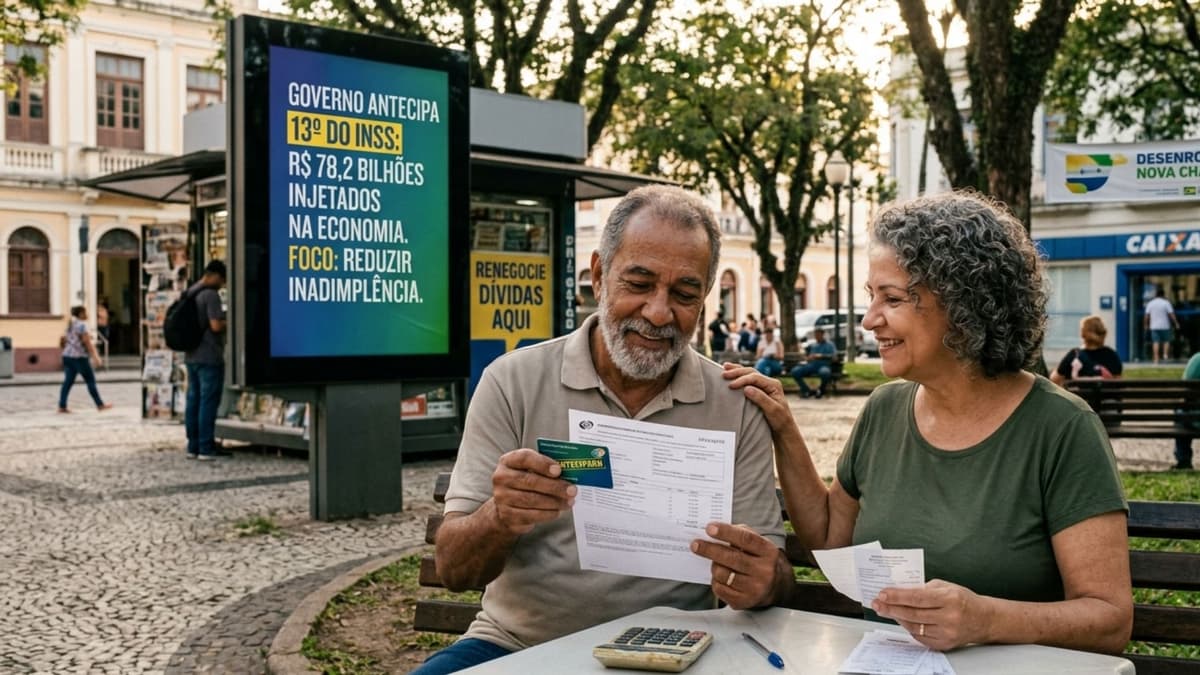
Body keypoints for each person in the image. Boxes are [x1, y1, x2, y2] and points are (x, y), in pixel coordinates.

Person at [724, 191, 1132, 654]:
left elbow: (1110, 619)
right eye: (871, 297)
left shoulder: (1061, 428)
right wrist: (784, 427)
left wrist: (988, 619)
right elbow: (829, 538)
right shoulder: (884, 409)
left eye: (892, 298)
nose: (869, 320)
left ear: (963, 308)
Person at [418, 186, 791, 674]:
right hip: (518, 644)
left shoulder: (734, 405)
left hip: (673, 655)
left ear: (704, 299)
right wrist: (499, 516)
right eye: (639, 283)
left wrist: (763, 580)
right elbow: (453, 569)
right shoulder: (513, 381)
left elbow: (775, 577)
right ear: (598, 275)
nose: (659, 313)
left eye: (683, 294)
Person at [184, 260, 228, 461]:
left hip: (191, 354)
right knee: (208, 402)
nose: (222, 284)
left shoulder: (191, 291)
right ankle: (205, 447)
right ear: (214, 275)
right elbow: (216, 325)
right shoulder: (210, 295)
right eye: (222, 279)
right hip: (209, 355)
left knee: (193, 400)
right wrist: (230, 320)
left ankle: (193, 446)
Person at [58, 306, 112, 413]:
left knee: (68, 382)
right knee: (90, 380)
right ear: (81, 314)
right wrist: (96, 357)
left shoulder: (71, 324)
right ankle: (100, 404)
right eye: (85, 312)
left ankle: (62, 405)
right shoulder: (82, 325)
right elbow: (87, 343)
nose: (87, 314)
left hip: (67, 356)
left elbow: (63, 340)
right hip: (79, 357)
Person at [1050, 315, 1123, 385]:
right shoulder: (1112, 355)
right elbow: (1118, 383)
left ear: (1083, 334)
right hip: (1107, 397)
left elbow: (1054, 380)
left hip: (1079, 397)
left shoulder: (1074, 355)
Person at [791, 327, 836, 398]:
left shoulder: (830, 345)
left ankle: (821, 390)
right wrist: (808, 358)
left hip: (823, 365)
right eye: (815, 335)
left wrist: (821, 356)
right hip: (812, 365)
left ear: (822, 334)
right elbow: (806, 356)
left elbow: (834, 357)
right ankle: (806, 390)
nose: (816, 336)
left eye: (818, 334)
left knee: (825, 373)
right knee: (795, 371)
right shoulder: (813, 345)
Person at [1174, 352, 1200, 470]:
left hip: (1195, 419)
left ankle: (1184, 459)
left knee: (1180, 414)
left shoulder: (1197, 360)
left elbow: (1185, 390)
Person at [1144, 287, 1179, 364]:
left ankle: (1156, 358)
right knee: (1166, 341)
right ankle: (1165, 355)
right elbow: (1171, 314)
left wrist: (1146, 325)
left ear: (1156, 295)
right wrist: (1176, 323)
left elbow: (1147, 316)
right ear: (1163, 295)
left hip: (1154, 326)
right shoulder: (1166, 303)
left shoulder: (1151, 303)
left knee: (1155, 342)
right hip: (1165, 326)